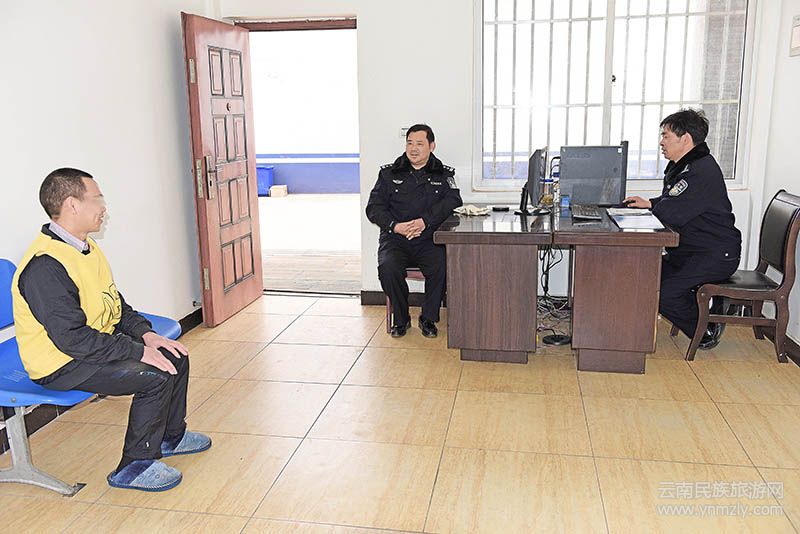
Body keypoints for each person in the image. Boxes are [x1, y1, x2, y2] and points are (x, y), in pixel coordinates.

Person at [11, 168, 211, 492]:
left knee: (173, 354)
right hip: (61, 363)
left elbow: (113, 303)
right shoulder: (45, 266)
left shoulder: (85, 247)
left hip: (90, 346)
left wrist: (146, 335)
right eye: (97, 198)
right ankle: (134, 467)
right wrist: (137, 352)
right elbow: (73, 340)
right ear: (72, 204)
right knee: (155, 376)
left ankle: (170, 438)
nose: (104, 207)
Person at [626, 109, 742, 349]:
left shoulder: (699, 172)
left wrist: (651, 210)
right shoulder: (686, 165)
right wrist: (650, 203)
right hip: (690, 251)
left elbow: (672, 213)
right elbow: (674, 200)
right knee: (644, 278)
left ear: (685, 139)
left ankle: (706, 330)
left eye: (666, 136)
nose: (661, 142)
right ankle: (704, 307)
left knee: (663, 293)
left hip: (714, 255)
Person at [366, 124, 463, 338]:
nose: (413, 148)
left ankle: (428, 318)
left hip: (427, 238)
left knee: (441, 266)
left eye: (419, 143)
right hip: (396, 239)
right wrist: (396, 226)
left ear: (431, 146)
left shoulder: (443, 173)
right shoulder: (389, 173)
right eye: (410, 143)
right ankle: (401, 319)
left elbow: (453, 200)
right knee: (388, 268)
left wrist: (425, 222)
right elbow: (373, 208)